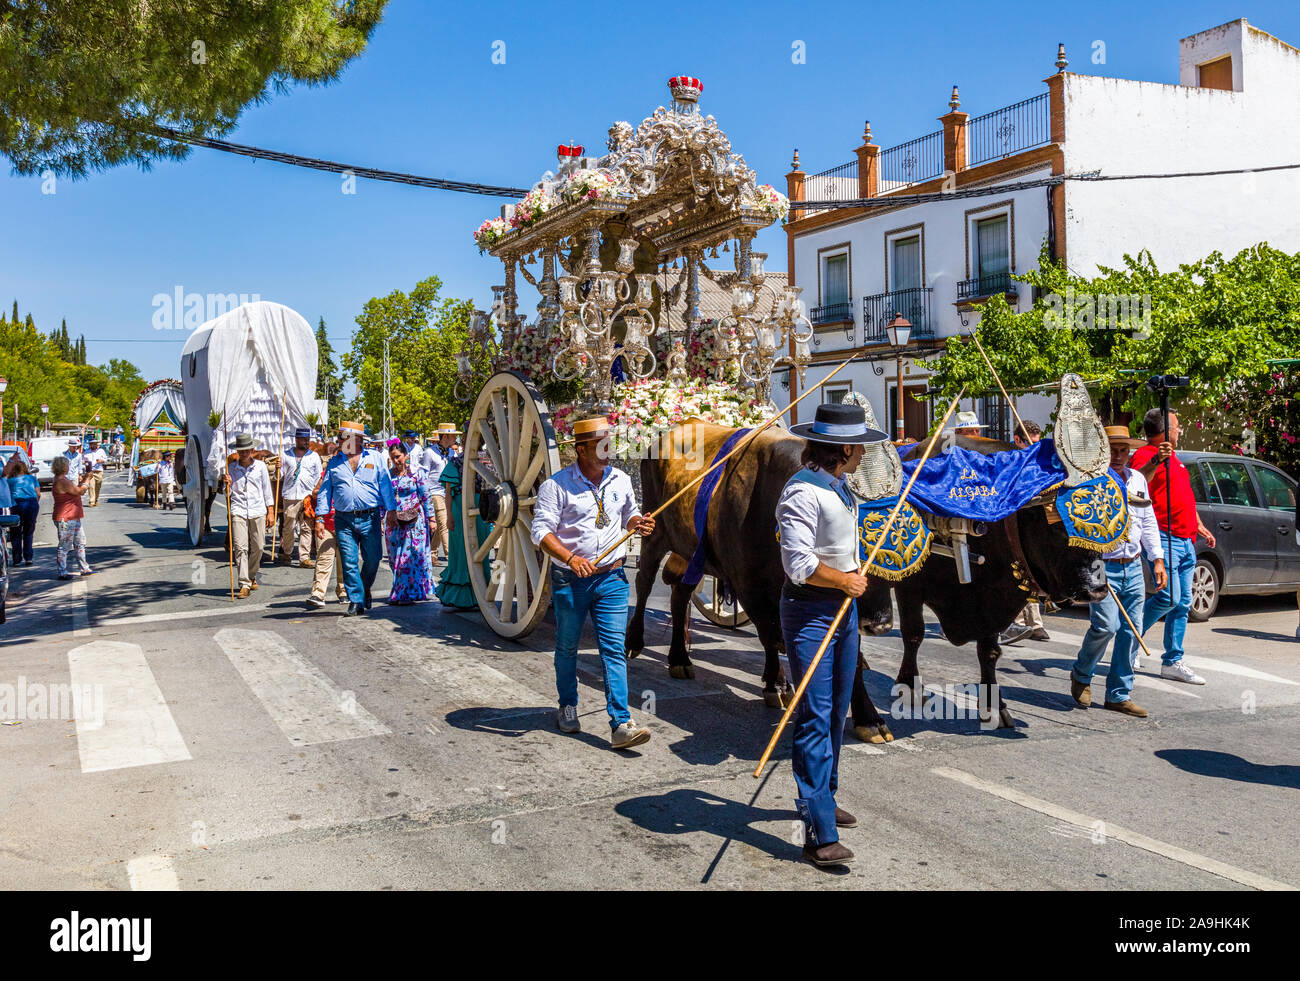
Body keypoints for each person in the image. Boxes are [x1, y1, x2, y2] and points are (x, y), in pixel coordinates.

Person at [778, 402, 885, 868]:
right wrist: (844, 580)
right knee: (815, 717)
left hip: (844, 610)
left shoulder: (839, 486)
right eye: (859, 445)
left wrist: (853, 572)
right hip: (810, 613)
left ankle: (825, 797)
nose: (863, 452)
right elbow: (798, 565)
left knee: (838, 710)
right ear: (845, 447)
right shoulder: (800, 493)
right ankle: (819, 833)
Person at [531, 415, 655, 750]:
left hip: (613, 577)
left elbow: (628, 514)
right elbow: (540, 531)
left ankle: (620, 722)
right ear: (580, 450)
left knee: (613, 649)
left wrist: (637, 524)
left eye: (609, 443)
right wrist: (571, 558)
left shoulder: (620, 479)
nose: (608, 451)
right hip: (570, 580)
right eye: (600, 445)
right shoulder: (556, 486)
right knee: (567, 646)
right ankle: (567, 704)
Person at [1069, 426, 1169, 717]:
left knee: (1132, 631)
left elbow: (1148, 520)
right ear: (1103, 451)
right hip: (1099, 563)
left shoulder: (1138, 479)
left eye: (1124, 450)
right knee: (1106, 626)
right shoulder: (1092, 481)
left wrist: (1158, 559)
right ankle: (1082, 674)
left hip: (1133, 565)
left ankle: (1118, 694)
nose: (1118, 455)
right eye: (1113, 449)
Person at [1132, 408, 1216, 684]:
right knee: (1168, 597)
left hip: (1186, 539)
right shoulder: (1146, 456)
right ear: (1165, 430)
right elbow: (1136, 484)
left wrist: (1199, 523)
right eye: (1177, 426)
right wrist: (1157, 459)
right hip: (1164, 537)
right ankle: (1130, 641)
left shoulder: (1176, 460)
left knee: (1182, 603)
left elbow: (1184, 497)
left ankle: (1173, 661)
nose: (1180, 431)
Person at [315, 421, 398, 617]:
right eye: (341, 437)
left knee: (373, 558)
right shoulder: (335, 462)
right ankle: (356, 600)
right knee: (349, 561)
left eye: (344, 437)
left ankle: (364, 587)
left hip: (370, 517)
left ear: (357, 440)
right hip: (343, 520)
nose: (340, 440)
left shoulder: (375, 458)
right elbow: (326, 490)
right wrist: (320, 517)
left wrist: (392, 510)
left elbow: (385, 485)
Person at [1002, 420, 1049, 644]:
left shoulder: (1039, 462)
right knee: (1018, 573)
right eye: (1029, 443)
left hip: (1033, 527)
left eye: (1037, 443)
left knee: (1032, 572)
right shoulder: (1010, 461)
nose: (1033, 447)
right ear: (1017, 440)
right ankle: (1017, 622)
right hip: (1011, 525)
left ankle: (1036, 623)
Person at [223, 433, 274, 599]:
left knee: (259, 547)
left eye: (247, 450)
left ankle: (251, 575)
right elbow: (227, 494)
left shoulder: (260, 467)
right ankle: (244, 583)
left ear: (252, 450)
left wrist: (271, 511)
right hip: (238, 510)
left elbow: (267, 490)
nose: (244, 453)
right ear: (238, 451)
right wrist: (226, 484)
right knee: (240, 547)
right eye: (241, 450)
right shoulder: (230, 469)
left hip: (258, 510)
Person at [384, 439, 435, 605]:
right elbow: (382, 498)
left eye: (398, 456)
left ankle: (405, 593)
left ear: (405, 455)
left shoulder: (417, 473)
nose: (396, 460)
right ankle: (407, 589)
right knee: (394, 558)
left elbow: (426, 496)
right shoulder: (388, 475)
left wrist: (431, 518)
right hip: (394, 521)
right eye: (393, 458)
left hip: (414, 522)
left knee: (408, 557)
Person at [434, 441, 478, 610]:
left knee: (479, 551)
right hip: (460, 510)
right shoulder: (455, 463)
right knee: (461, 552)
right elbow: (448, 493)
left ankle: (479, 596)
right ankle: (459, 597)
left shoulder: (487, 460)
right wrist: (449, 516)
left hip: (482, 510)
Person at [305, 439, 347, 609]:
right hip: (326, 522)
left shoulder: (350, 477)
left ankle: (343, 591)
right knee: (324, 557)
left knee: (345, 561)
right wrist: (320, 491)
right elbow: (316, 492)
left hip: (345, 523)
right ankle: (318, 593)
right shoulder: (325, 475)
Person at [277, 428, 322, 568]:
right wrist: (278, 468)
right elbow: (279, 477)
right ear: (296, 440)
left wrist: (315, 493)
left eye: (308, 439)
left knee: (306, 528)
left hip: (307, 496)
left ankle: (304, 558)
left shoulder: (314, 456)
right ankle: (287, 552)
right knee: (288, 527)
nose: (306, 442)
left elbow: (318, 476)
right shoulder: (285, 455)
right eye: (303, 439)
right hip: (290, 496)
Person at [50, 456, 93, 579]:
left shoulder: (61, 479)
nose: (69, 467)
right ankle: (62, 571)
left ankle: (84, 568)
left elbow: (75, 489)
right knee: (65, 546)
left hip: (72, 516)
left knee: (80, 542)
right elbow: (80, 491)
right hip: (67, 517)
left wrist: (83, 480)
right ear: (64, 467)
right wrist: (87, 480)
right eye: (68, 465)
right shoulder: (62, 481)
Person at [422, 423, 459, 563]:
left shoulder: (452, 453)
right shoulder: (429, 453)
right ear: (445, 436)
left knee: (440, 524)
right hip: (435, 491)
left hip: (448, 492)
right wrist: (425, 495)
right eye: (453, 435)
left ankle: (432, 552)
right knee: (444, 523)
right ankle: (452, 558)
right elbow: (423, 476)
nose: (455, 438)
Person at [3, 457, 40, 566]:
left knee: (15, 532)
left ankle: (17, 558)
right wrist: (35, 504)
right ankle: (28, 557)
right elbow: (38, 494)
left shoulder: (9, 481)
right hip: (31, 504)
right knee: (29, 531)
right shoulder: (32, 479)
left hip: (17, 505)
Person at [82, 437, 108, 506]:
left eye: (94, 444)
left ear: (96, 444)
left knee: (97, 486)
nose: (92, 445)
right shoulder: (86, 452)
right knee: (91, 486)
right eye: (91, 444)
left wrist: (101, 461)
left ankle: (96, 499)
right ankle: (91, 501)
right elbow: (82, 461)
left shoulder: (101, 451)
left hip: (98, 470)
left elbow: (105, 460)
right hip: (90, 471)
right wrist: (84, 462)